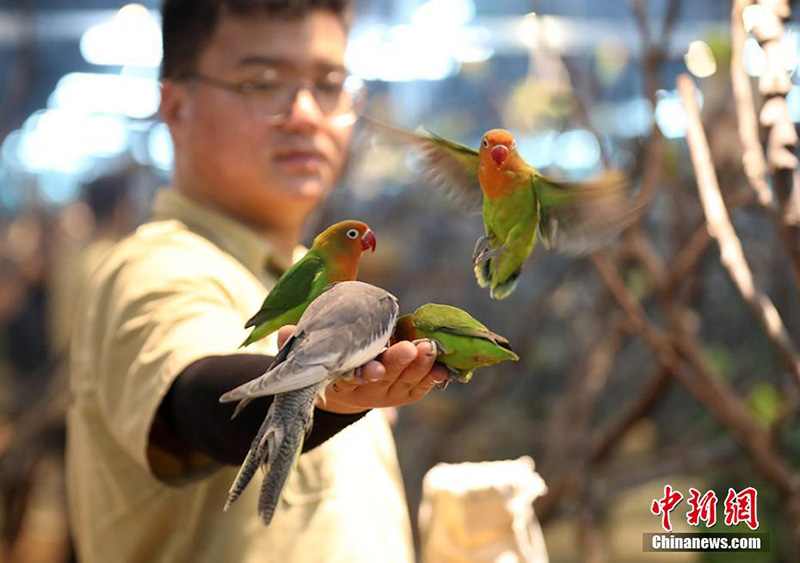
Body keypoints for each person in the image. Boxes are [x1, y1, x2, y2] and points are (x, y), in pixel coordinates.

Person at [65, 1, 449, 561]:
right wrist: (315, 387)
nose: (304, 113)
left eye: (328, 84)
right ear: (176, 104)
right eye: (261, 83)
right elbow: (197, 398)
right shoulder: (155, 268)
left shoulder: (322, 284)